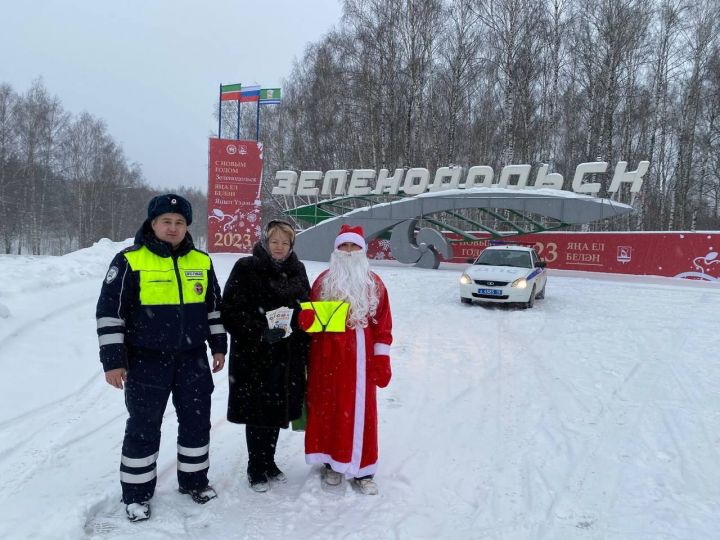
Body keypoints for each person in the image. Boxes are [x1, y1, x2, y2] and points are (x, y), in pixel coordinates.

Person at [96, 193, 227, 522]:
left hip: (193, 359)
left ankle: (194, 482)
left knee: (196, 424)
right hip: (146, 361)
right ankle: (137, 495)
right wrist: (113, 361)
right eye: (166, 221)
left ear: (187, 227)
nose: (173, 227)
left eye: (179, 222)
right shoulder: (129, 260)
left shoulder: (201, 261)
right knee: (143, 427)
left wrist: (219, 346)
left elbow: (213, 309)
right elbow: (110, 314)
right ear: (152, 224)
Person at [300, 224, 393, 495]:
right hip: (327, 357)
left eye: (354, 246)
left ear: (363, 251)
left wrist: (381, 359)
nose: (349, 252)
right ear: (336, 250)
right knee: (329, 408)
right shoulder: (322, 281)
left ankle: (364, 469)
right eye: (344, 246)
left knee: (361, 411)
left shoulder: (375, 284)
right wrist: (306, 320)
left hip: (360, 359)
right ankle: (332, 462)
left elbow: (383, 324)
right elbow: (312, 321)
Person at [221, 219, 311, 492]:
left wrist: (301, 324)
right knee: (257, 413)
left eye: (285, 242)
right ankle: (255, 467)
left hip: (287, 354)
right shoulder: (246, 268)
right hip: (255, 355)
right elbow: (230, 312)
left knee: (277, 411)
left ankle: (269, 461)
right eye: (274, 241)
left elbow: (306, 307)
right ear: (265, 242)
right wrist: (260, 331)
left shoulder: (298, 270)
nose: (279, 247)